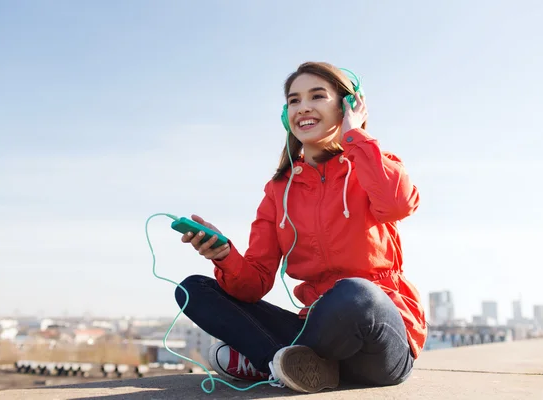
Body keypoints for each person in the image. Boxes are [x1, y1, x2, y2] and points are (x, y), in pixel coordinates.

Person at [174, 61, 426, 394]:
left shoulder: (371, 162)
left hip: (375, 336)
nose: (303, 107)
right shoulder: (278, 190)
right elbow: (254, 283)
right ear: (285, 115)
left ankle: (268, 361)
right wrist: (224, 256)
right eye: (293, 100)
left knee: (356, 294)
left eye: (317, 96)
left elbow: (398, 203)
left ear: (347, 106)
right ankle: (286, 364)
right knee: (193, 289)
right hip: (314, 326)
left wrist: (356, 134)